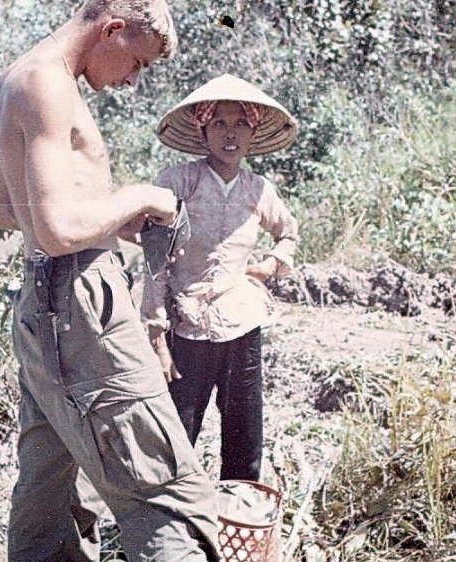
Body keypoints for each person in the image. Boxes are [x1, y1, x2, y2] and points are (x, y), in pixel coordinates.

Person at [0, 2, 220, 561]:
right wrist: (141, 197)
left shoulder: (17, 78)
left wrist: (115, 221)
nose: (134, 80)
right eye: (136, 62)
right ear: (111, 29)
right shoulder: (48, 85)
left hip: (46, 307)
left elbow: (5, 210)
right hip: (81, 306)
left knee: (49, 488)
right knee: (166, 488)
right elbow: (60, 229)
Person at [142, 74, 300, 482]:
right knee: (176, 435)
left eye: (240, 125)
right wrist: (158, 337)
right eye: (219, 124)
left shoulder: (259, 189)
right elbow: (155, 262)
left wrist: (271, 265)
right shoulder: (179, 182)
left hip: (240, 322)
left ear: (252, 132)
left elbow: (288, 233)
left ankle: (240, 515)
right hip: (186, 325)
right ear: (203, 130)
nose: (230, 135)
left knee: (244, 431)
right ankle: (170, 525)